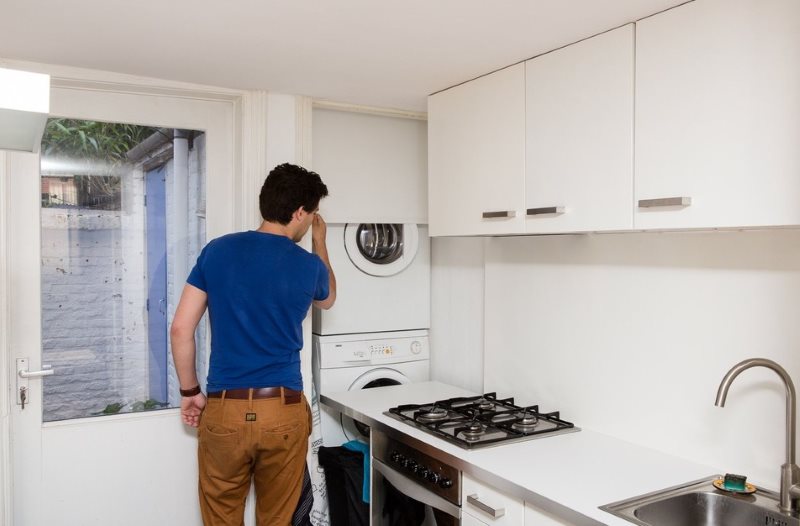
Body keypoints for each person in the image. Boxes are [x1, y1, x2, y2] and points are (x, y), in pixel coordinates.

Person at [170, 163, 336, 526]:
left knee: (221, 518)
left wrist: (190, 390)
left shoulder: (217, 251)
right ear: (299, 212)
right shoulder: (308, 265)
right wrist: (321, 244)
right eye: (312, 215)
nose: (311, 223)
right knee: (277, 520)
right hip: (283, 410)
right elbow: (327, 300)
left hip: (225, 409)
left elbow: (181, 329)